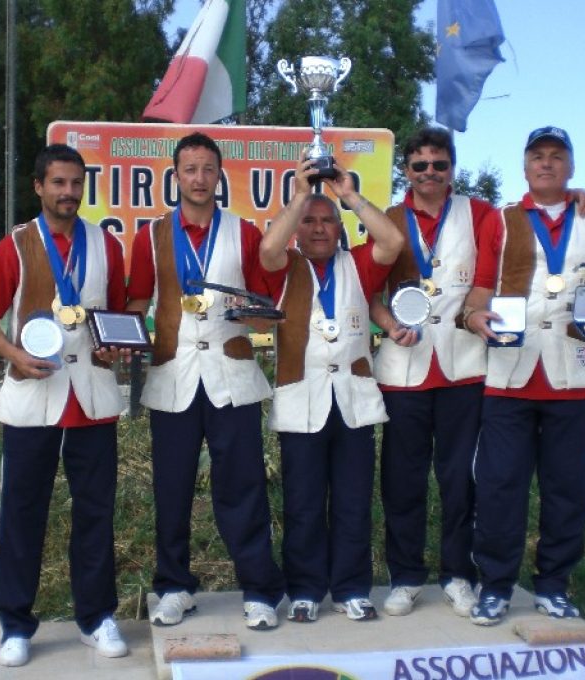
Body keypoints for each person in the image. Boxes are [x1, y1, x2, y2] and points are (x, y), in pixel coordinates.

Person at [461, 126, 585, 626]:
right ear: (525, 166)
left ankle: (554, 585)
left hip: (574, 375)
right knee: (498, 486)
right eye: (537, 156)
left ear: (570, 166)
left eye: (557, 157)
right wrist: (475, 318)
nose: (546, 164)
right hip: (510, 374)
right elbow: (479, 288)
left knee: (568, 487)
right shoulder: (503, 220)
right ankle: (495, 586)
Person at [126, 132, 286, 630]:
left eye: (207, 169)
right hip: (173, 376)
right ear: (175, 177)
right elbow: (135, 303)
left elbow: (265, 311)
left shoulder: (245, 233)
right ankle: (174, 586)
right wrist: (122, 339)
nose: (199, 178)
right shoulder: (151, 235)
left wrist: (255, 316)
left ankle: (260, 589)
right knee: (170, 489)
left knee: (243, 486)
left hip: (231, 376)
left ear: (220, 176)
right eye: (189, 169)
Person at [0, 144, 130, 665]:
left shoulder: (106, 245)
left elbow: (117, 316)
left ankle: (96, 617)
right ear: (39, 186)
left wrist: (116, 344)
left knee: (95, 513)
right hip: (32, 399)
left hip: (91, 396)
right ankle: (15, 625)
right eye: (58, 183)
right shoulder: (16, 245)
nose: (68, 193)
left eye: (75, 183)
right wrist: (14, 356)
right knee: (22, 514)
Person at [259, 156, 403, 623]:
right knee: (301, 503)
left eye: (328, 222)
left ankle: (352, 587)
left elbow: (392, 240)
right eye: (310, 222)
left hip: (354, 402)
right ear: (298, 228)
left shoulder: (359, 264)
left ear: (341, 230)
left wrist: (349, 196)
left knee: (353, 501)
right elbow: (266, 250)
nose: (319, 229)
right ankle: (304, 589)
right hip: (302, 401)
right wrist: (302, 193)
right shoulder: (284, 268)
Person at [370, 128, 493, 619]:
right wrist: (388, 326)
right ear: (406, 171)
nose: (429, 173)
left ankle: (459, 574)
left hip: (464, 366)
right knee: (403, 480)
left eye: (438, 165)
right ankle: (404, 576)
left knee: (461, 479)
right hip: (405, 370)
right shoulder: (387, 221)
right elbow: (371, 292)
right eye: (419, 165)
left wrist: (574, 197)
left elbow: (486, 281)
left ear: (452, 168)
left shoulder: (480, 214)